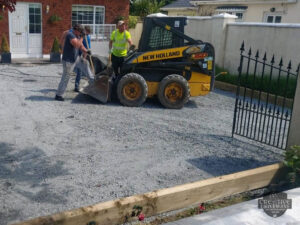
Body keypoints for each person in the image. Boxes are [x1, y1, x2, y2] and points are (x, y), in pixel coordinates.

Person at [55, 24, 93, 101]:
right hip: (68, 61)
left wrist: (86, 51)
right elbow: (77, 45)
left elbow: (81, 46)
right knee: (66, 77)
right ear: (76, 30)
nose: (81, 33)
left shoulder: (77, 35)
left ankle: (93, 81)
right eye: (80, 32)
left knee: (85, 64)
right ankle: (58, 95)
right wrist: (82, 37)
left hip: (76, 58)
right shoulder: (70, 35)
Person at [74, 26, 92, 92]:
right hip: (75, 55)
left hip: (81, 55)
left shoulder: (87, 38)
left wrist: (84, 58)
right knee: (77, 71)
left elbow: (87, 49)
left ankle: (77, 86)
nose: (86, 34)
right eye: (87, 33)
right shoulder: (78, 35)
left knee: (80, 71)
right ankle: (76, 86)